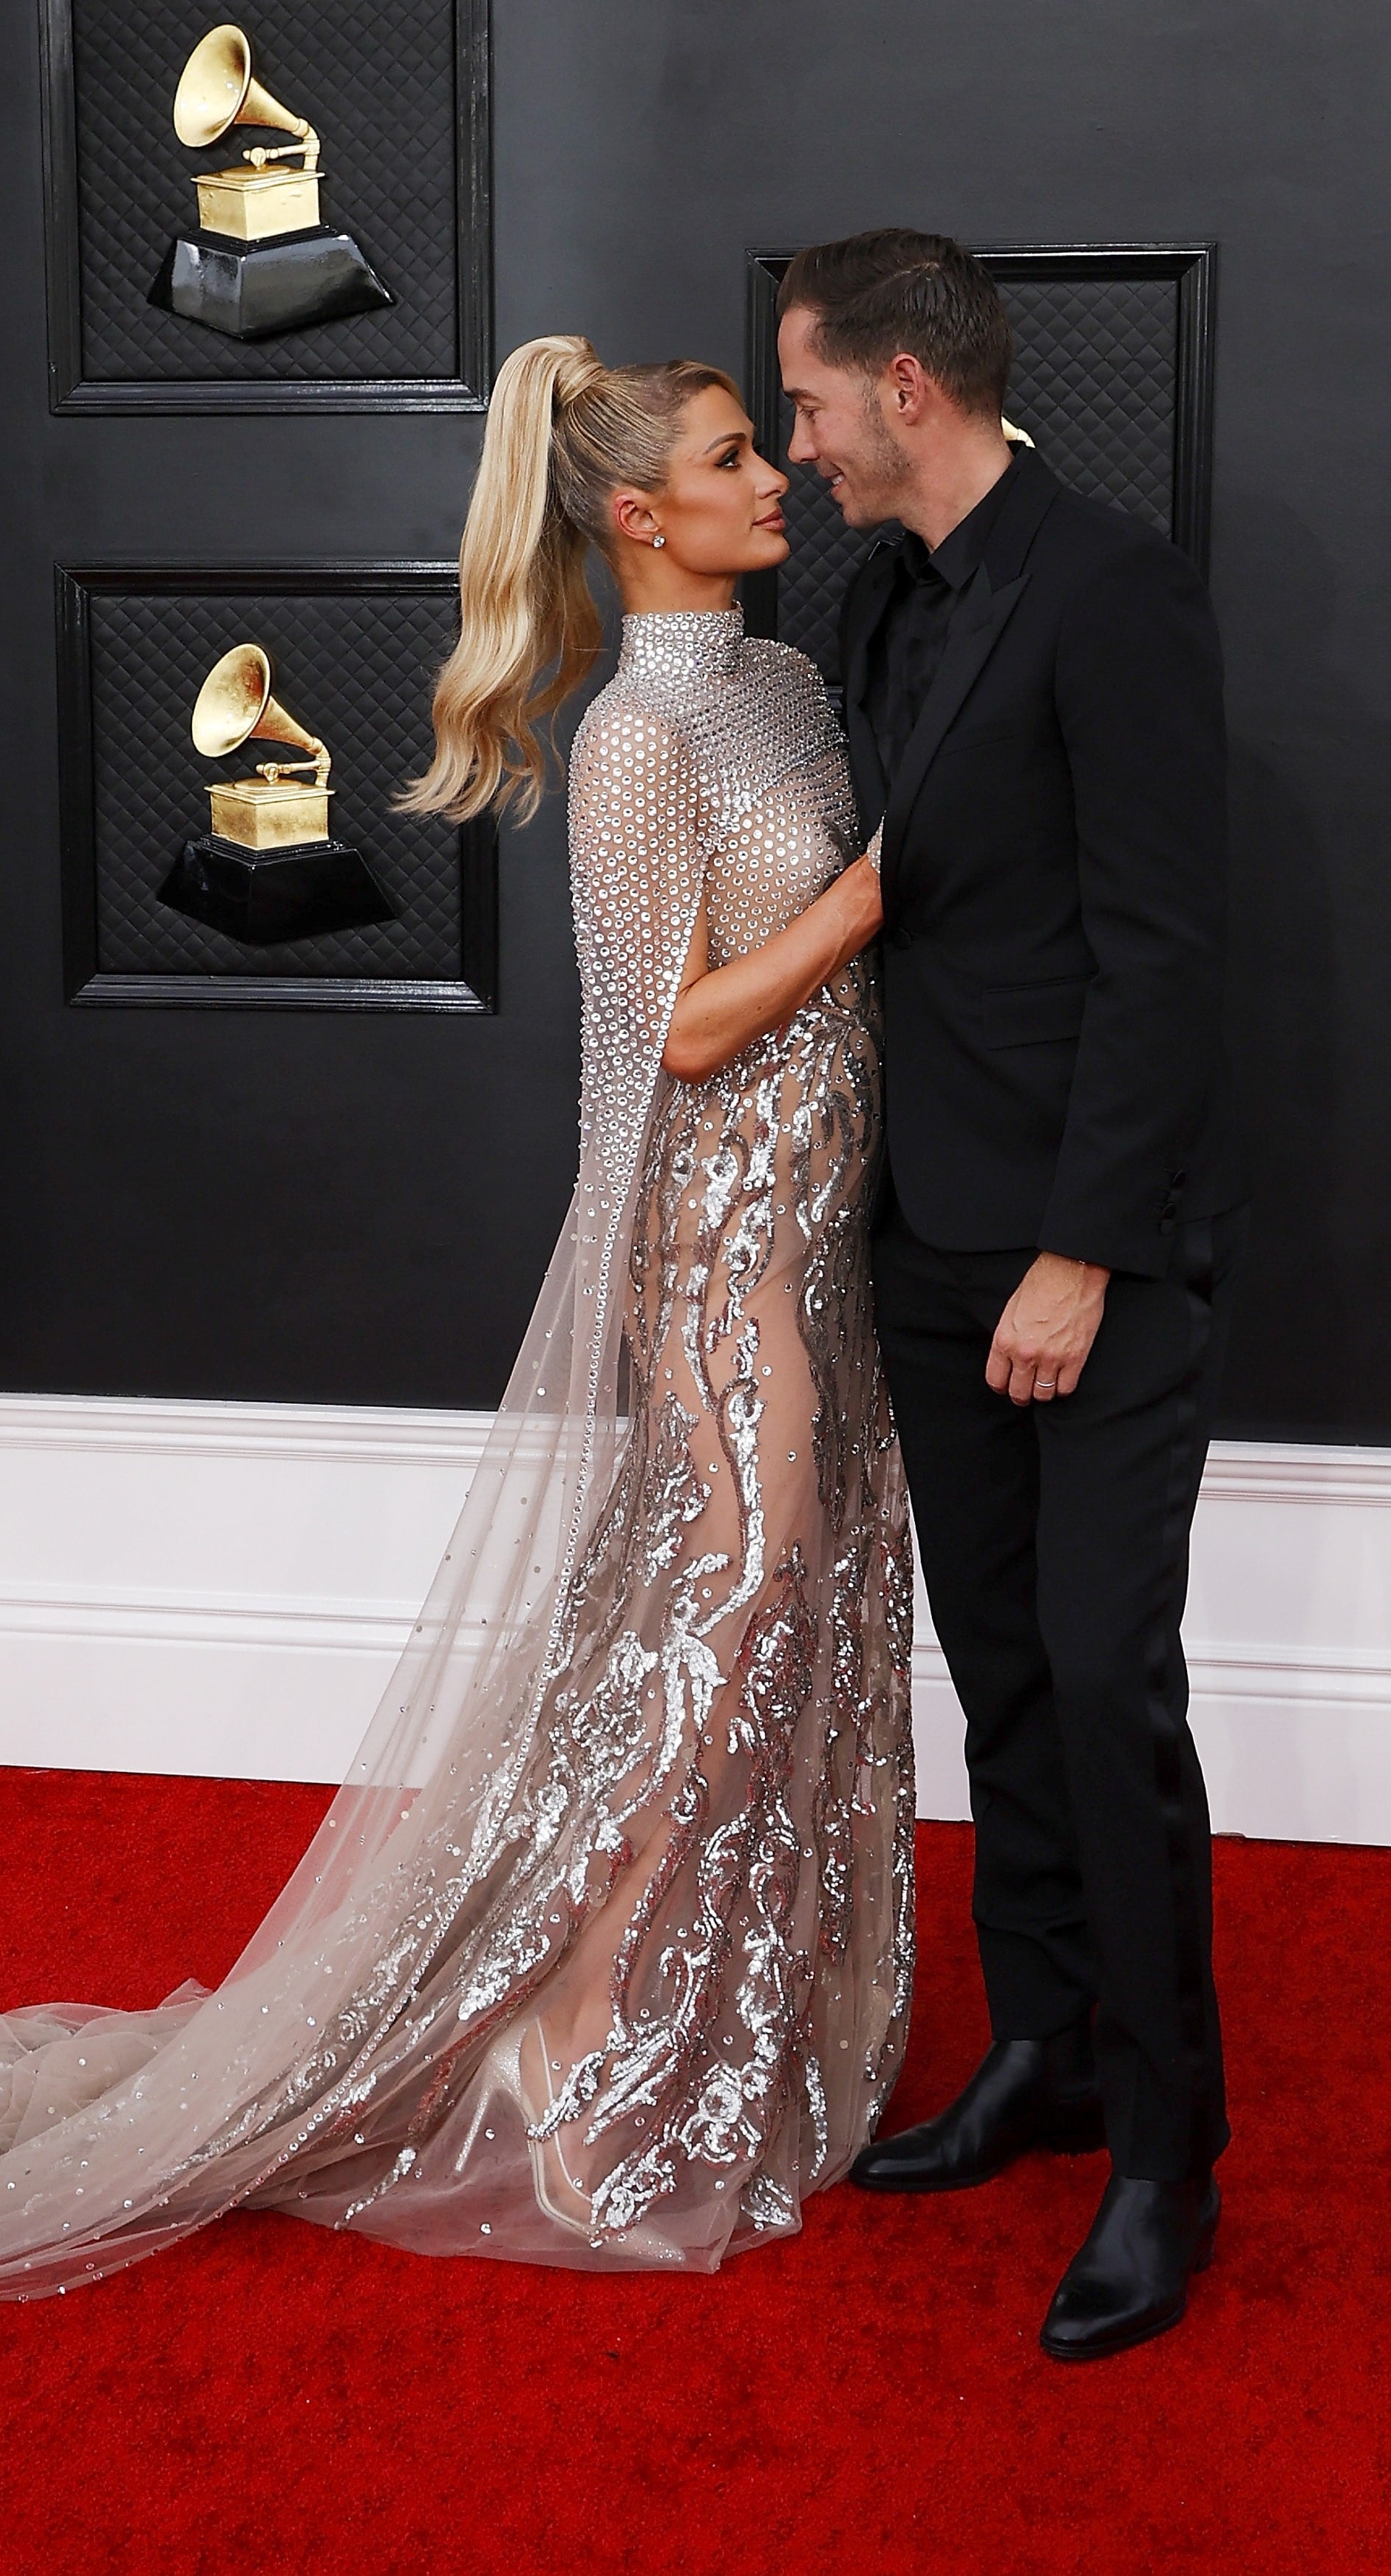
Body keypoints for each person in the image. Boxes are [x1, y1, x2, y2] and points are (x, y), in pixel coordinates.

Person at [0, 338, 911, 2331]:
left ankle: (711, 2027)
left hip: (821, 1236)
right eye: (738, 459)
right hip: (724, 1248)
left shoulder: (788, 685)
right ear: (639, 512)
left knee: (779, 1632)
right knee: (704, 1658)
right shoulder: (635, 740)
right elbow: (671, 1035)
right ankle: (587, 2072)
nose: (772, 484)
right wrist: (873, 899)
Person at [776, 231, 1245, 2361]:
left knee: (1100, 1674)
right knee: (1001, 1679)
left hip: (1091, 1255)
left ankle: (1164, 2151)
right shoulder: (872, 596)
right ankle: (1044, 2052)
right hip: (922, 1238)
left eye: (803, 406)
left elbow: (1162, 949)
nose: (791, 450)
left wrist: (1078, 1246)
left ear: (902, 387)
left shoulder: (1114, 587)